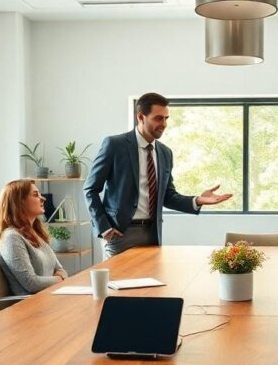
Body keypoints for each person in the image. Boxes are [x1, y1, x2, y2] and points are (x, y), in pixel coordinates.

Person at [83, 91, 233, 257]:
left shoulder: (165, 153)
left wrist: (197, 200)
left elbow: (168, 196)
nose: (164, 124)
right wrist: (104, 228)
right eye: (158, 118)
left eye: (166, 118)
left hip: (152, 235)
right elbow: (90, 189)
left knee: (151, 283)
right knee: (118, 282)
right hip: (119, 235)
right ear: (141, 117)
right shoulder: (115, 145)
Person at [0, 179, 68, 294]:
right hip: (31, 306)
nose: (43, 198)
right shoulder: (11, 238)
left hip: (49, 298)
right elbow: (31, 283)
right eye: (36, 195)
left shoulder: (35, 233)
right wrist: (59, 279)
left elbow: (60, 269)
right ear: (19, 202)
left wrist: (60, 277)